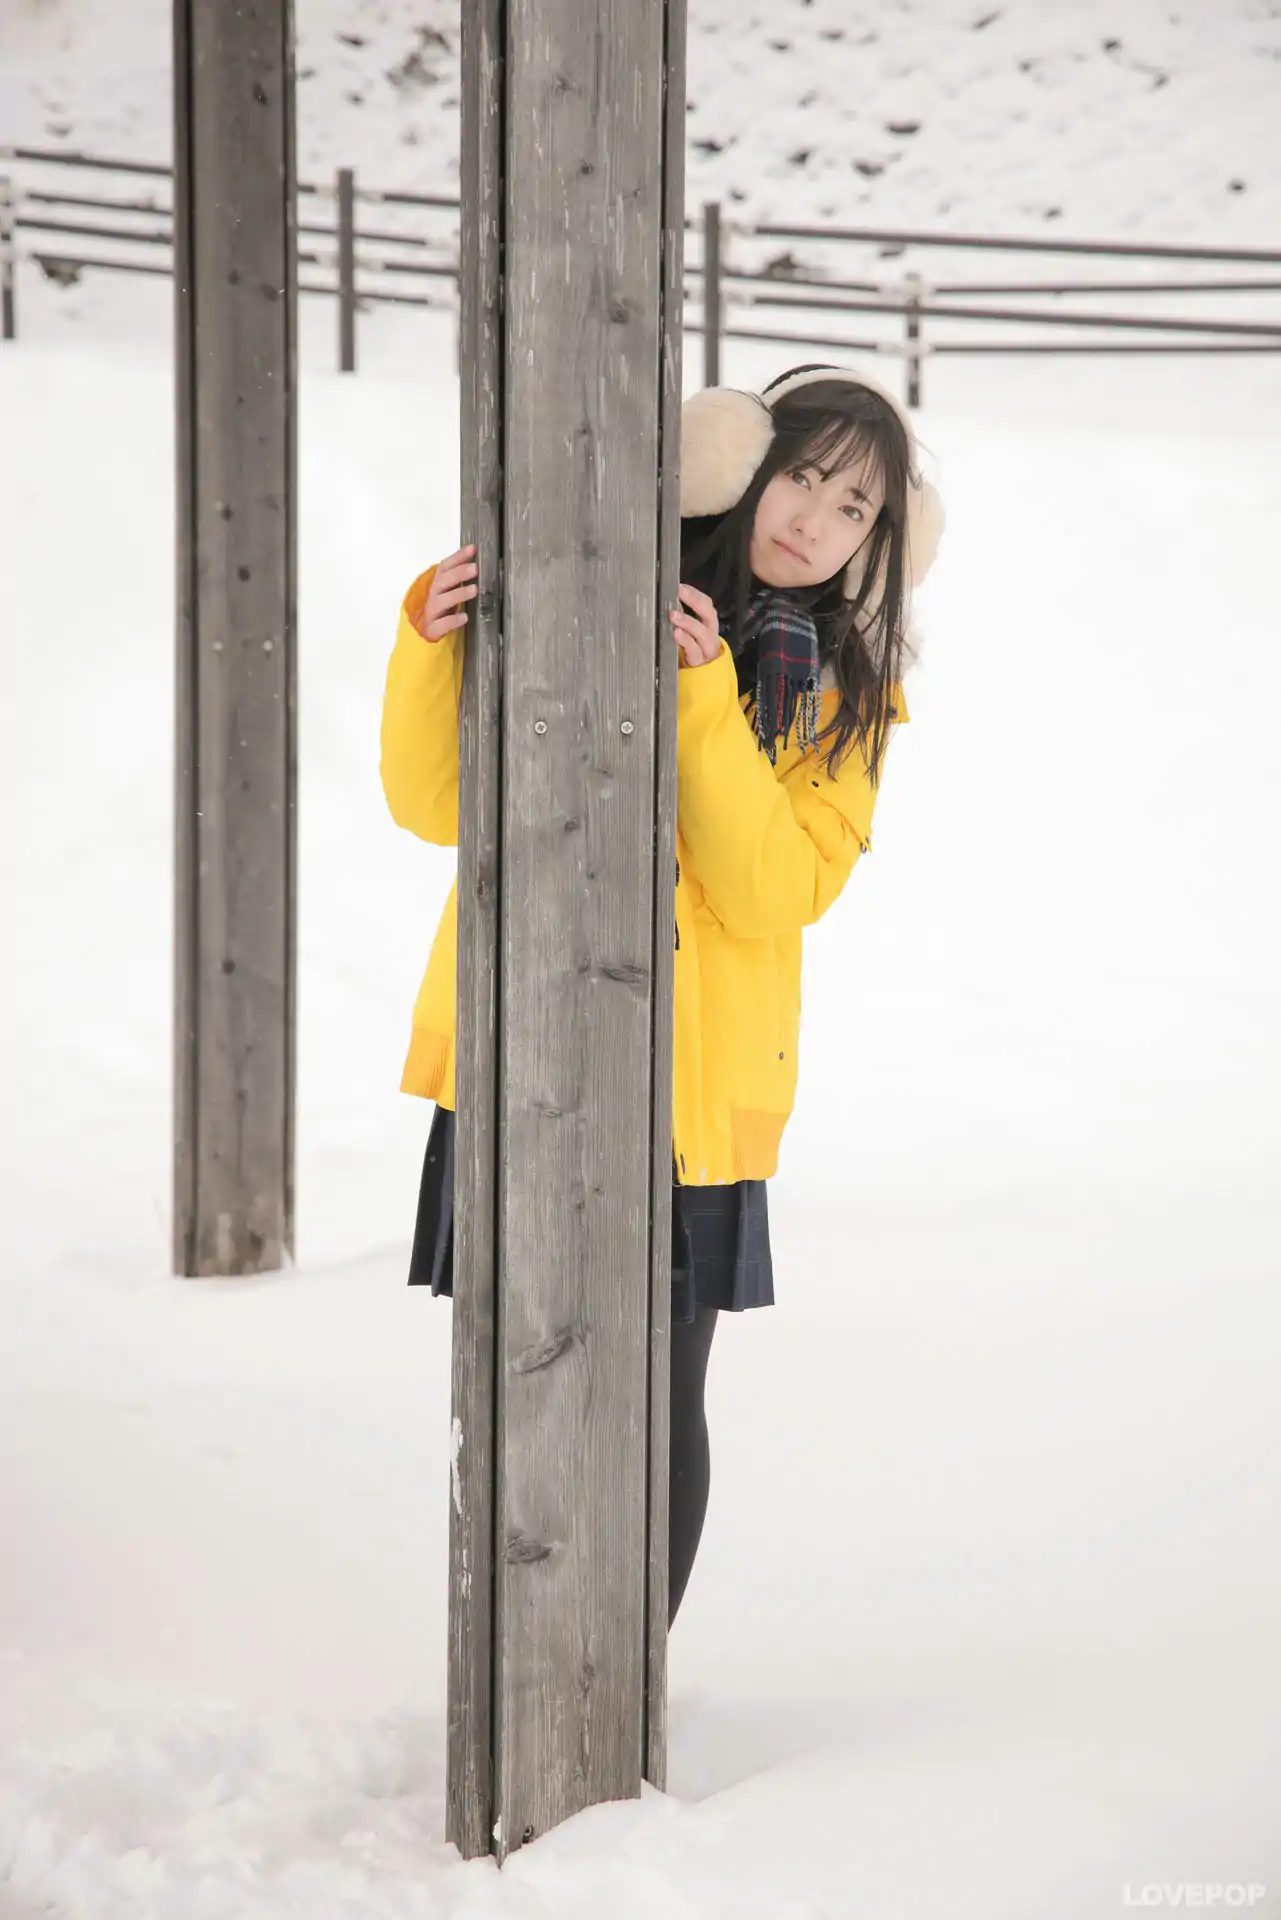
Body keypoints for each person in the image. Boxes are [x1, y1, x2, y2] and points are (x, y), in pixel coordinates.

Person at [379, 362, 945, 1627]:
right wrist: (430, 644)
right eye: (804, 477)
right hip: (529, 1041)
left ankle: (625, 1687)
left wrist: (700, 700)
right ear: (744, 468)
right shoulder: (598, 594)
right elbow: (437, 803)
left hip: (694, 1099)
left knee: (658, 1393)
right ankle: (514, 1670)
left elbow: (772, 888)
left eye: (856, 509)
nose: (816, 520)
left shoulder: (845, 692)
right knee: (512, 1372)